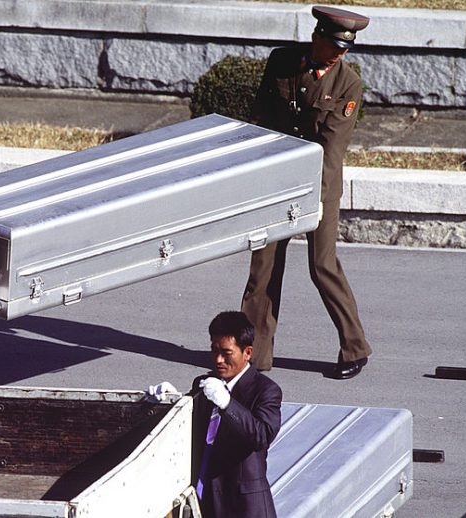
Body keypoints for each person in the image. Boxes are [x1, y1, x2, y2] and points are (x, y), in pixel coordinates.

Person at [241, 6, 372, 379]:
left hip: (319, 185)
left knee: (322, 265)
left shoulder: (348, 85)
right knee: (262, 269)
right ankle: (253, 355)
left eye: (345, 49)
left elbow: (332, 150)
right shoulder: (282, 62)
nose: (339, 54)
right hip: (276, 181)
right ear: (317, 36)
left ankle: (354, 347)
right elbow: (262, 119)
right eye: (334, 46)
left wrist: (313, 199)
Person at [148, 311, 282, 518]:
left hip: (243, 506)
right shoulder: (205, 384)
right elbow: (187, 424)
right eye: (214, 350)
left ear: (247, 352)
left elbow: (262, 435)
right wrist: (170, 402)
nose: (218, 359)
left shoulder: (266, 390)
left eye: (227, 353)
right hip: (204, 499)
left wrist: (228, 405)